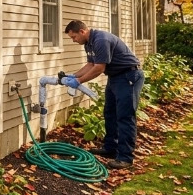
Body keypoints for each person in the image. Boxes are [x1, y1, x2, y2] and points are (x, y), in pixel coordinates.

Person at [62, 20, 145, 170]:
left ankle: (125, 158)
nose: (74, 41)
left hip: (129, 76)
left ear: (82, 31)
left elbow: (99, 68)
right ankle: (111, 149)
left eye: (73, 37)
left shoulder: (101, 40)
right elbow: (90, 65)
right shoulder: (89, 43)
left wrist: (79, 81)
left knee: (125, 116)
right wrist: (74, 76)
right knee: (110, 113)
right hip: (115, 77)